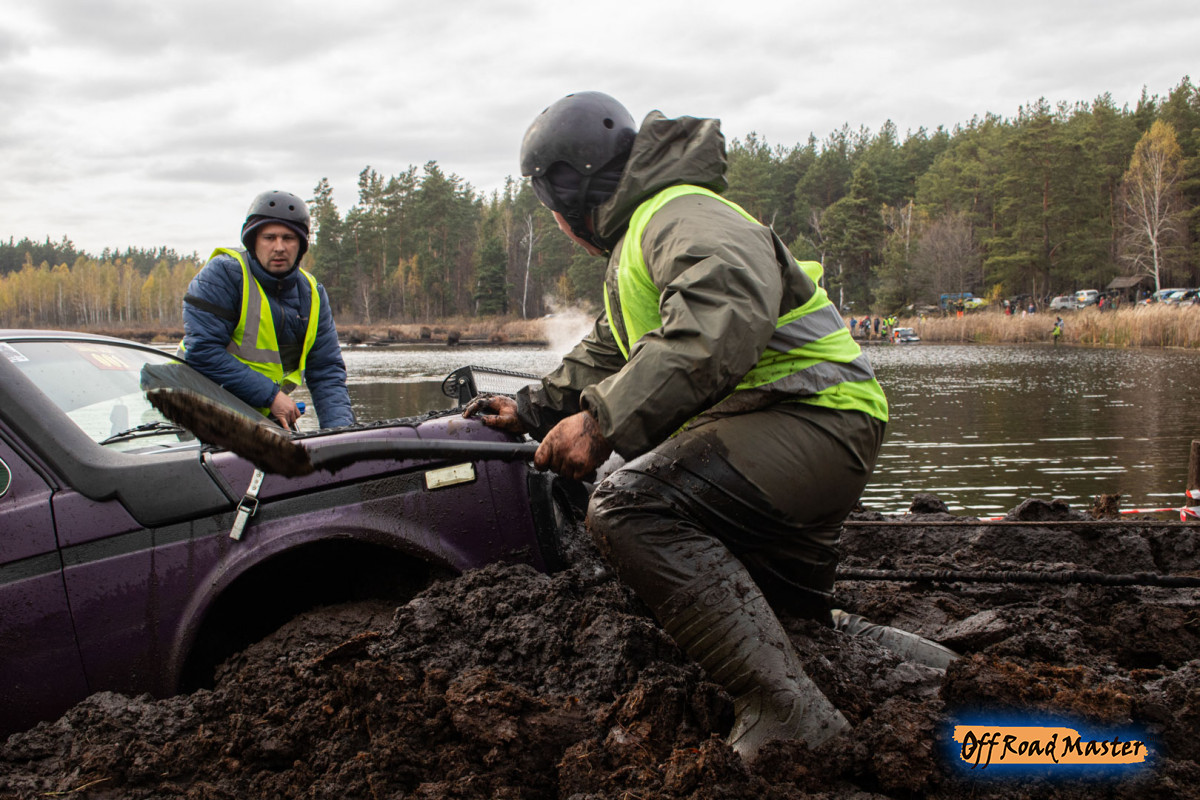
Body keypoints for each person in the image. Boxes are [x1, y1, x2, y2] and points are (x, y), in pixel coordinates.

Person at [465, 92, 952, 761]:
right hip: (802, 421)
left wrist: (602, 424)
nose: (554, 223)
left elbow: (718, 319)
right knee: (792, 620)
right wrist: (531, 408)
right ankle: (903, 659)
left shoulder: (678, 215)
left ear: (568, 191)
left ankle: (785, 714)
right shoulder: (649, 231)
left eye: (549, 206)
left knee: (629, 506)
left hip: (808, 419)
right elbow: (612, 349)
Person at [180, 190, 355, 430]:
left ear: (301, 245)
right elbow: (202, 351)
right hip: (193, 406)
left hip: (258, 411)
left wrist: (340, 435)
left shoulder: (313, 293)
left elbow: (326, 371)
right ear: (253, 241)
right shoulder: (222, 276)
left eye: (289, 238)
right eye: (269, 237)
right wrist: (271, 396)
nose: (279, 247)